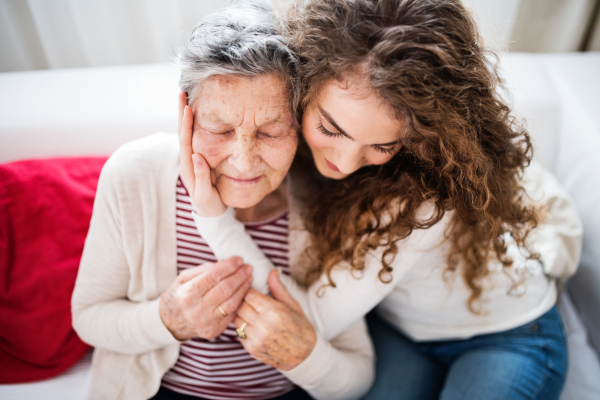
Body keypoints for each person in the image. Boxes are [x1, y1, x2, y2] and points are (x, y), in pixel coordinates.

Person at [183, 1, 582, 399]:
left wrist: (213, 218)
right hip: (398, 333)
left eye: (382, 144)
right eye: (330, 128)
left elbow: (309, 318)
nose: (343, 162)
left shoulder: (424, 199)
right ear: (304, 87)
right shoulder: (285, 138)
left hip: (507, 334)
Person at [70, 1, 374, 400]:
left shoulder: (324, 199)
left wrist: (305, 354)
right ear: (187, 116)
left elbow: (358, 375)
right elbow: (88, 318)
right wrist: (167, 319)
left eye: (269, 132)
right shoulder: (134, 175)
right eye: (219, 129)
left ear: (298, 126)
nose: (244, 162)